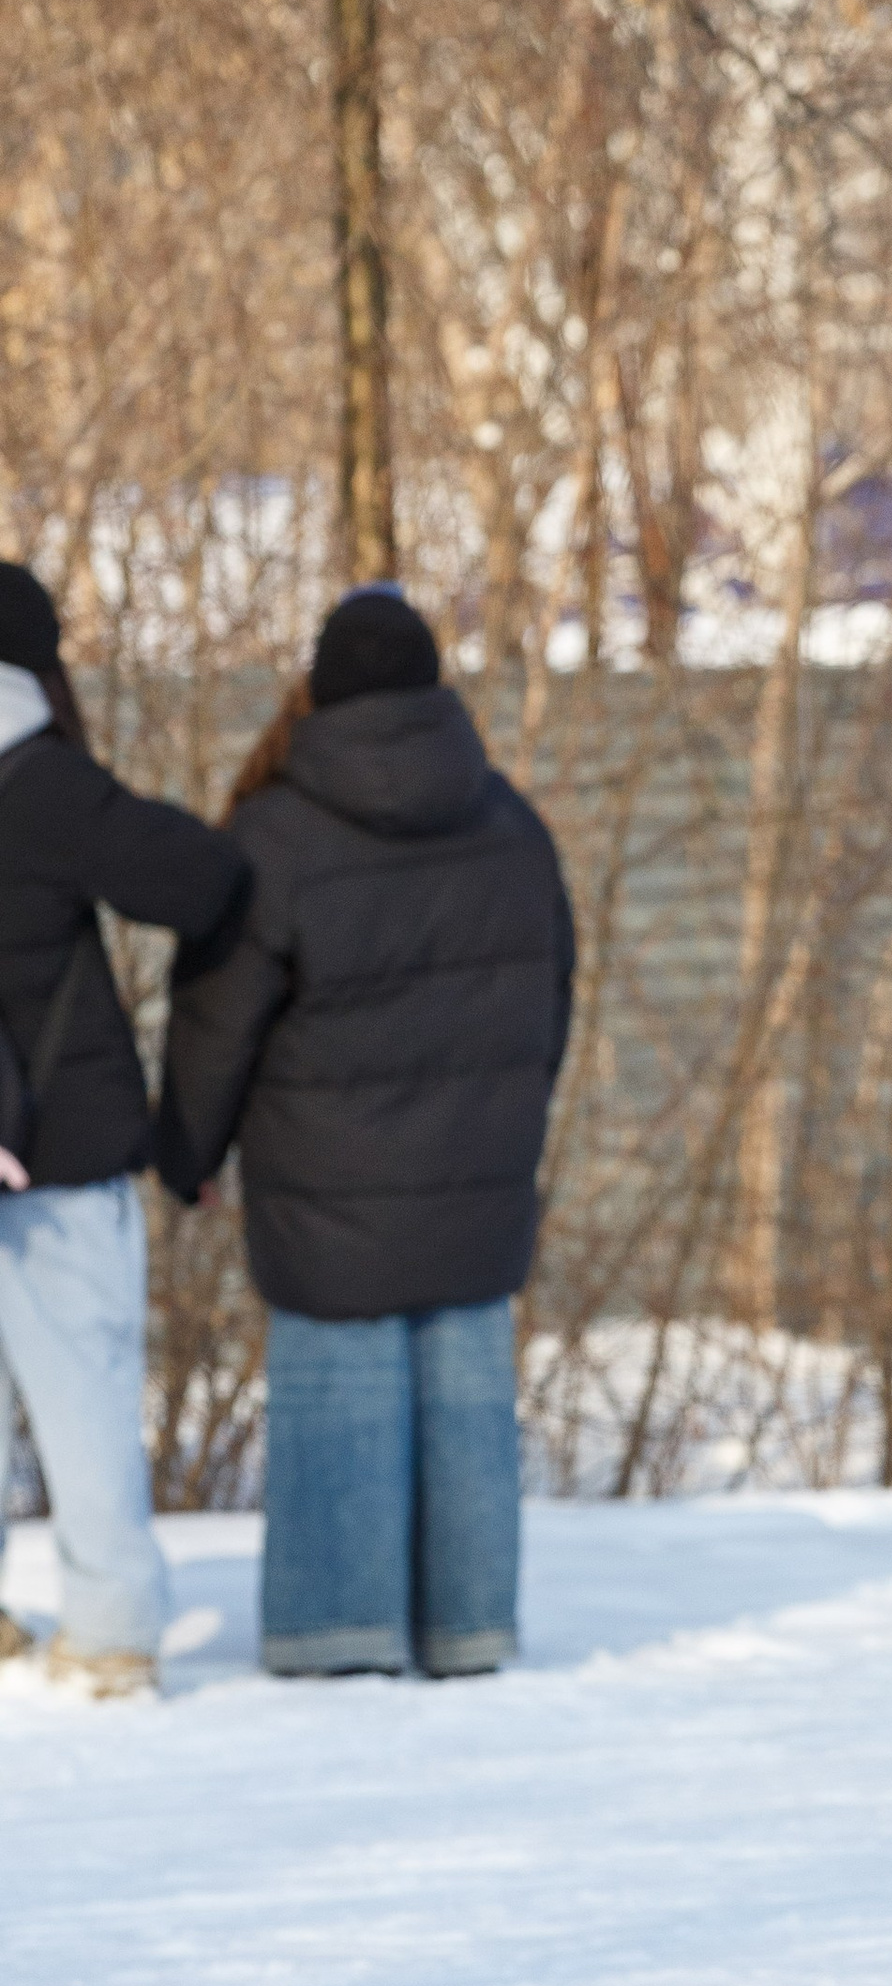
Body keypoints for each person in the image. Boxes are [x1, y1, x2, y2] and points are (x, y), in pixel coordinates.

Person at [155, 588, 574, 1682]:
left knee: (339, 1389)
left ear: (319, 687)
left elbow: (216, 1017)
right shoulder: (509, 820)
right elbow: (553, 1000)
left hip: (324, 1188)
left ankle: (340, 1641)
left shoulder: (275, 832)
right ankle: (469, 1631)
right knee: (470, 1403)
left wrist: (186, 1153)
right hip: (478, 1179)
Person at [0, 565, 247, 1693]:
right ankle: (106, 1631)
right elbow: (202, 879)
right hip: (59, 1146)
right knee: (84, 1383)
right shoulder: (40, 783)